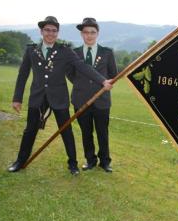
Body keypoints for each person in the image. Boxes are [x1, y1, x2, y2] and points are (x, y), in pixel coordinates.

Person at [8, 16, 113, 175]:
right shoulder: (31, 50)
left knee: (66, 130)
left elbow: (82, 66)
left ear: (58, 32)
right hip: (37, 97)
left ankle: (73, 164)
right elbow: (22, 75)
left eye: (54, 31)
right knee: (30, 130)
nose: (50, 33)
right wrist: (17, 98)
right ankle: (20, 161)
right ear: (41, 31)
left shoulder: (65, 50)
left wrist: (102, 81)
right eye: (47, 30)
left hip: (59, 98)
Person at [67, 17, 117, 173]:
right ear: (81, 34)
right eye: (86, 32)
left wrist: (104, 84)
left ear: (98, 33)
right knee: (86, 132)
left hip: (102, 100)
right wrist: (82, 84)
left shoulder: (107, 53)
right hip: (80, 100)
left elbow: (113, 74)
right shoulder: (73, 53)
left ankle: (105, 162)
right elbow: (70, 74)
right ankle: (90, 160)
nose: (89, 35)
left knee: (103, 132)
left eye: (92, 32)